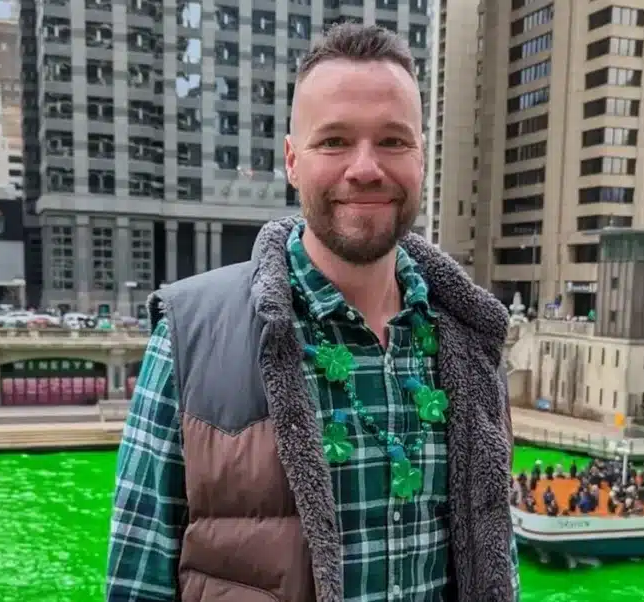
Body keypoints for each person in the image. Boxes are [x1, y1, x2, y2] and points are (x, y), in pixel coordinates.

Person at [106, 23, 519, 602]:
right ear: (292, 160)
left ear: (422, 158)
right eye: (334, 141)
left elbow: (496, 556)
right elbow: (136, 582)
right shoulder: (190, 337)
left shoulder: (472, 342)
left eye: (393, 141)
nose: (366, 167)